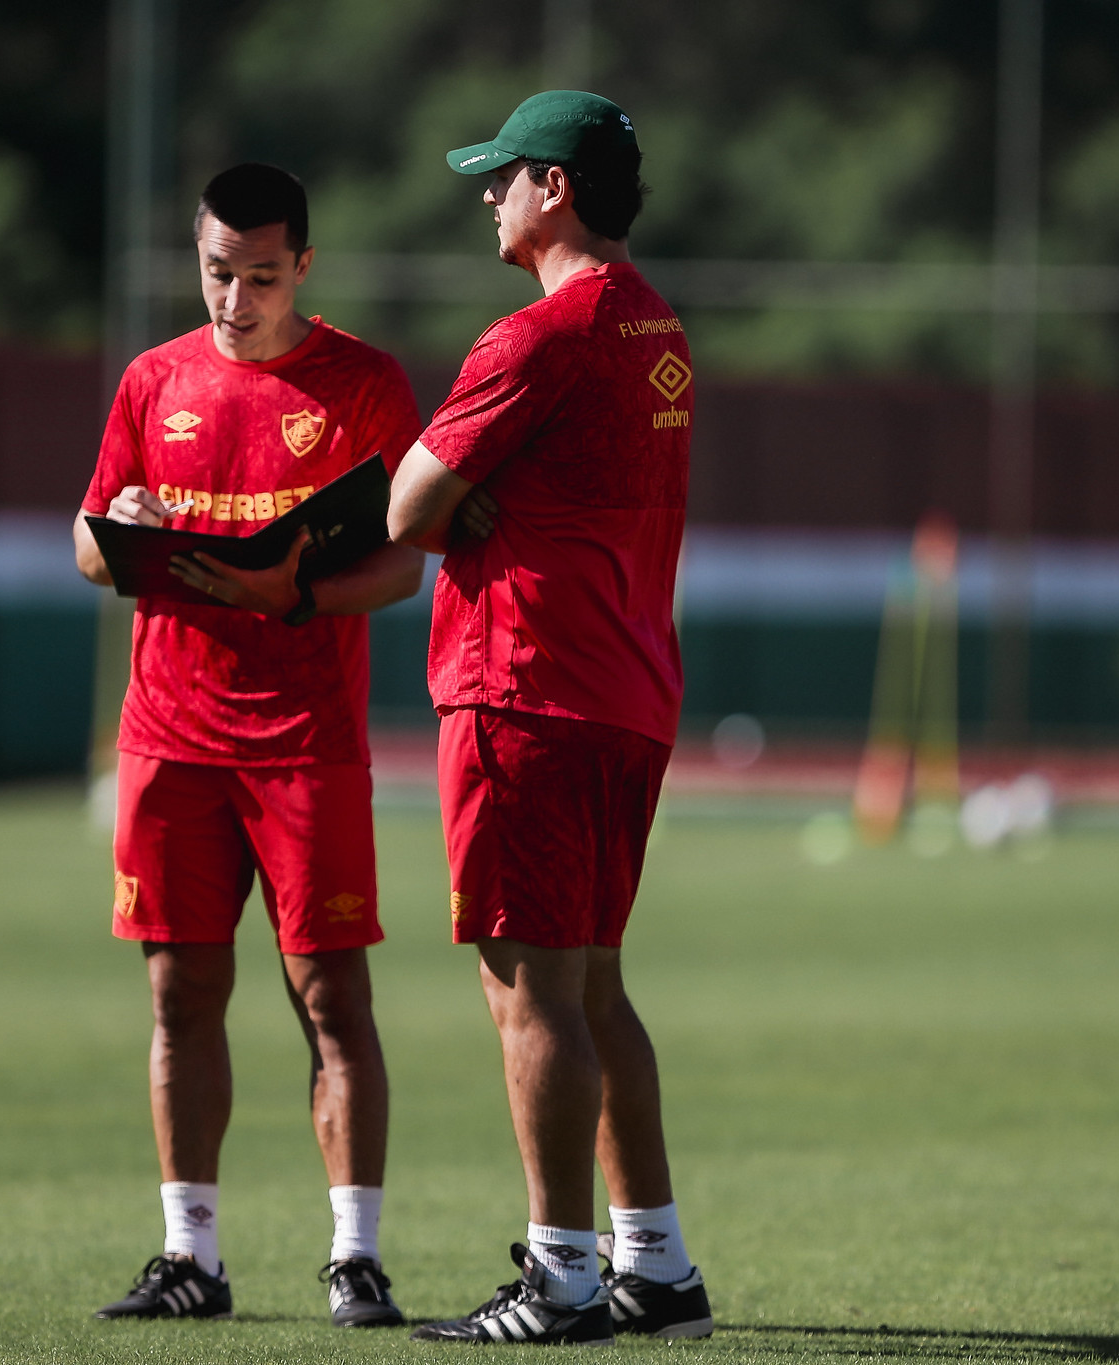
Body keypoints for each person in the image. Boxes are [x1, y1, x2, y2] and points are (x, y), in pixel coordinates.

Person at [386, 91, 715, 1346]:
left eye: (504, 175)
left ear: (555, 189)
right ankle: (658, 1268)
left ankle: (562, 1279)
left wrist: (458, 500)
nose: (488, 195)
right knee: (593, 991)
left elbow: (408, 511)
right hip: (626, 692)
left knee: (531, 999)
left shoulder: (538, 336)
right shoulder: (657, 327)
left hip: (526, 690)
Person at [74, 162, 426, 1329]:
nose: (235, 299)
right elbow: (89, 541)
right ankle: (190, 1256)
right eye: (218, 272)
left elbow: (400, 563)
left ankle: (355, 1257)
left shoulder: (365, 385)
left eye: (261, 277)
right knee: (180, 993)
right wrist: (116, 533)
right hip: (169, 736)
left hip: (303, 740)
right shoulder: (151, 380)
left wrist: (295, 597)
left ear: (305, 269)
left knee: (330, 995)